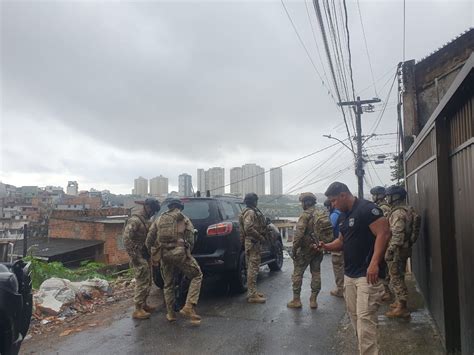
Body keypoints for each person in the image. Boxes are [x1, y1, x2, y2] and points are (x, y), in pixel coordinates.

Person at [318, 182, 391, 355]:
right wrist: (326, 246)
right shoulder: (343, 216)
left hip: (368, 275)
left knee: (365, 321)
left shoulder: (367, 209)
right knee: (356, 318)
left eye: (334, 201)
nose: (333, 205)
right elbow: (341, 242)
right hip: (350, 275)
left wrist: (374, 263)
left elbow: (384, 233)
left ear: (344, 195)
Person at [147, 198, 203, 325]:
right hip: (180, 254)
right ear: (180, 207)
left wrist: (151, 252)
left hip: (164, 255)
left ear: (169, 207)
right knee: (197, 275)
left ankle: (171, 314)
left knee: (168, 284)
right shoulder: (183, 218)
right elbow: (191, 239)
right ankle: (189, 306)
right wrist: (187, 253)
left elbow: (149, 238)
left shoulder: (159, 219)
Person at [287, 192, 332, 309]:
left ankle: (296, 300)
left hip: (305, 250)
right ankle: (313, 300)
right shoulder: (320, 213)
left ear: (305, 202)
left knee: (298, 273)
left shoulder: (305, 215)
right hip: (318, 248)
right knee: (316, 273)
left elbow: (299, 234)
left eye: (302, 202)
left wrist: (294, 249)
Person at [123, 198, 161, 319]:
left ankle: (144, 304)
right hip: (138, 255)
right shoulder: (135, 220)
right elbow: (126, 239)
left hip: (145, 254)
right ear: (148, 207)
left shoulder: (146, 220)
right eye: (153, 210)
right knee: (142, 281)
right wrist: (134, 256)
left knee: (148, 280)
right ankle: (138, 309)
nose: (153, 213)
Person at [384, 185, 415, 319]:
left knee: (395, 277)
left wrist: (390, 250)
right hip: (405, 248)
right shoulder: (406, 209)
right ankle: (398, 301)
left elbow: (397, 234)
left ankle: (402, 307)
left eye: (389, 196)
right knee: (399, 276)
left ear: (395, 196)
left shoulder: (397, 213)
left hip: (397, 249)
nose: (387, 198)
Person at [239, 193, 267, 304]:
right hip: (253, 242)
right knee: (253, 268)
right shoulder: (250, 212)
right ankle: (252, 295)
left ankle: (253, 291)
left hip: (251, 242)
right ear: (254, 201)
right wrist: (260, 237)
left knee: (251, 268)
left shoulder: (247, 211)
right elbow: (248, 228)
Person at [369, 186, 391, 301]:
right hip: (386, 241)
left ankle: (386, 291)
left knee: (384, 266)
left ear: (378, 195)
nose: (373, 197)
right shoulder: (383, 207)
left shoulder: (383, 208)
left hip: (386, 241)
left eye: (374, 194)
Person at [324, 199, 344, 298]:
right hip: (344, 244)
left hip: (337, 244)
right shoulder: (342, 212)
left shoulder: (334, 215)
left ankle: (340, 289)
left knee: (338, 267)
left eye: (327, 207)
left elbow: (329, 227)